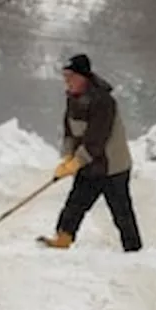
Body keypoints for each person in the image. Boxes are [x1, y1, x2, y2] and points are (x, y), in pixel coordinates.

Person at [41, 53, 143, 252]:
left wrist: (77, 162)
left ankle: (133, 249)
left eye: (71, 77)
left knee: (121, 211)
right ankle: (63, 237)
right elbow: (70, 131)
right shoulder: (73, 99)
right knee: (75, 203)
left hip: (112, 166)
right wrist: (68, 156)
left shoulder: (103, 101)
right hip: (89, 165)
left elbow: (97, 139)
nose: (67, 81)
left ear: (83, 77)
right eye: (65, 77)